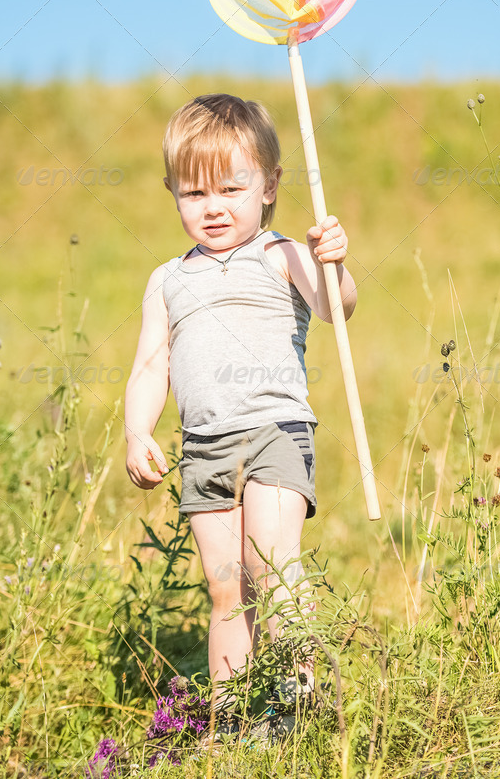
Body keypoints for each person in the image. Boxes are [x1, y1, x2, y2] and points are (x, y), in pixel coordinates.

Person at [125, 93, 357, 716]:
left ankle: (302, 702)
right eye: (194, 194)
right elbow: (151, 364)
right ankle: (234, 718)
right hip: (203, 446)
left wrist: (335, 262)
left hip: (274, 429)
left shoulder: (281, 254)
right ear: (172, 191)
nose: (214, 207)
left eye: (231, 189)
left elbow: (337, 307)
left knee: (271, 566)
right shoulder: (168, 278)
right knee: (226, 588)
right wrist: (136, 430)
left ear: (270, 185)